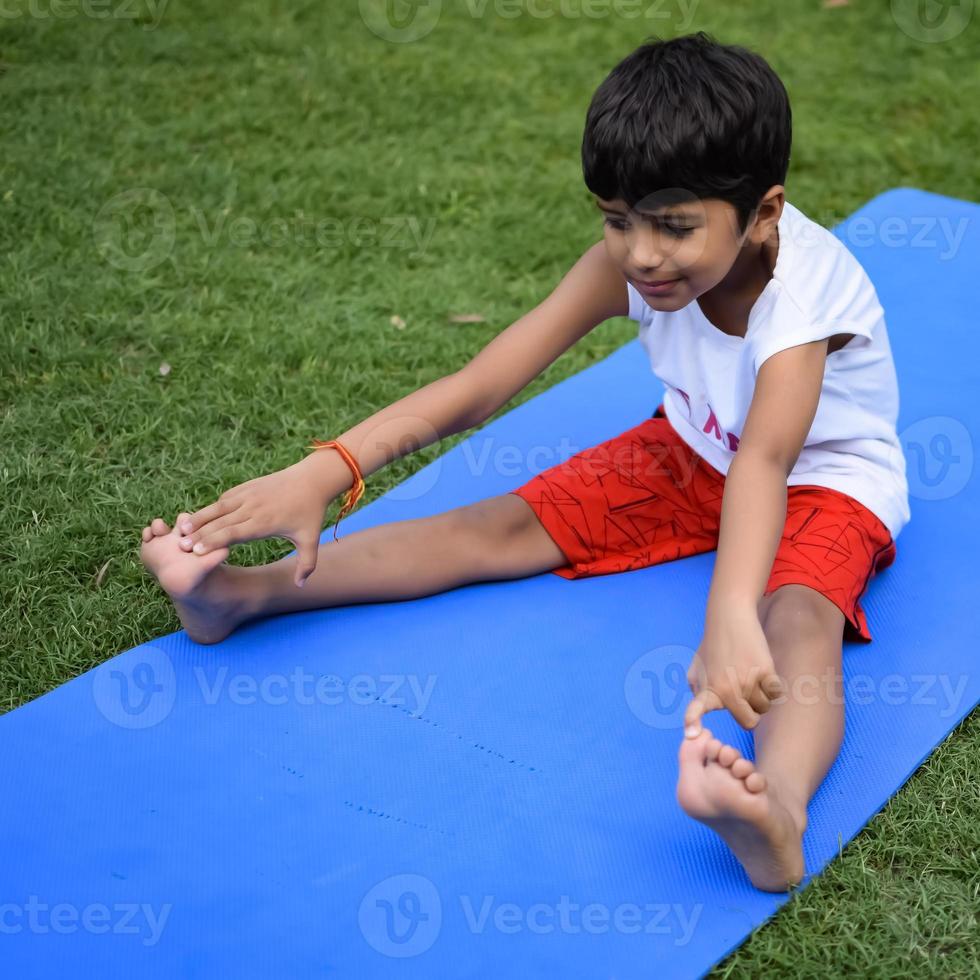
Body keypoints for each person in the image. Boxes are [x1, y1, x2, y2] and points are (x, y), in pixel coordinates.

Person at [139, 32, 909, 892]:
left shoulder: (803, 298)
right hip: (693, 449)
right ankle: (236, 597)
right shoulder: (629, 266)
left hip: (823, 481)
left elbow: (768, 462)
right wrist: (327, 470)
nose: (642, 253)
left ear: (764, 213)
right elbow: (479, 383)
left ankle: (781, 817)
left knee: (796, 616)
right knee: (498, 525)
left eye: (674, 227)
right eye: (618, 220)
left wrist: (731, 610)